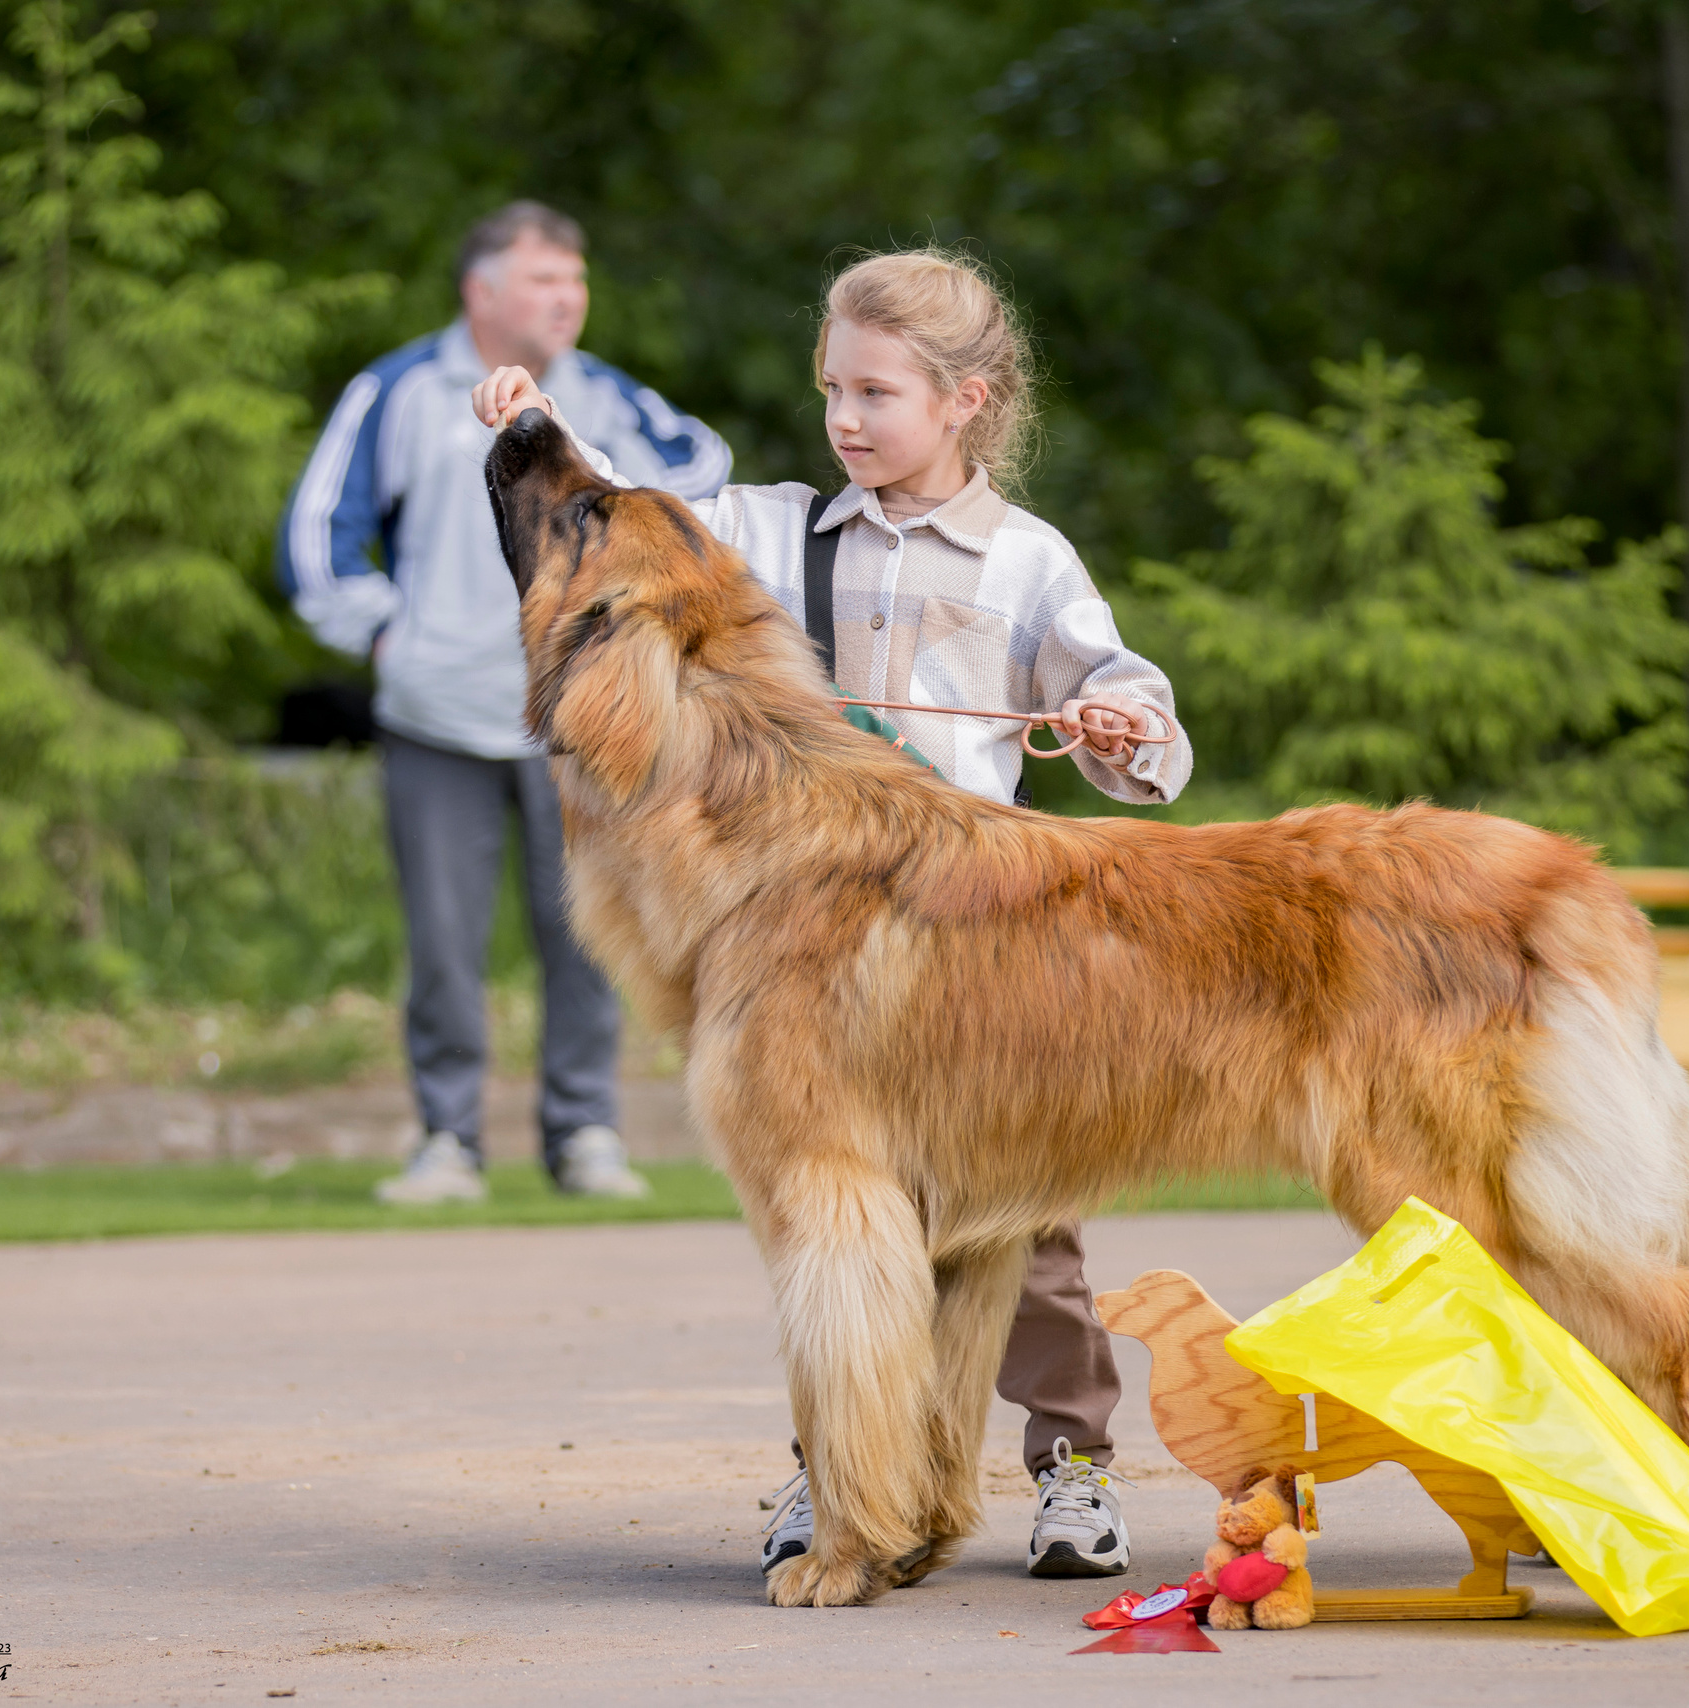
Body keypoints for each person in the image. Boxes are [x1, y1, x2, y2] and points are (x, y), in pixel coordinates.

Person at [470, 249, 1191, 1579]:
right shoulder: (774, 530)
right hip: (823, 933)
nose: (844, 419)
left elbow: (1135, 706)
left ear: (966, 401)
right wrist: (535, 426)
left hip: (984, 935)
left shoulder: (1027, 559)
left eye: (876, 393)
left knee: (1031, 1235)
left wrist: (1120, 724)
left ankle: (1073, 1466)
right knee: (832, 1219)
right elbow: (626, 516)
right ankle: (841, 1472)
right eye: (831, 390)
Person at [279, 201, 732, 1205]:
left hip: (580, 723)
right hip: (438, 718)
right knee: (444, 946)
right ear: (479, 291)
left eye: (576, 279)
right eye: (543, 280)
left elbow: (705, 474)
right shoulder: (398, 390)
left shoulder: (603, 395)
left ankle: (586, 1136)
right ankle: (447, 1142)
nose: (568, 298)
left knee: (591, 934)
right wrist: (387, 634)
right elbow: (316, 535)